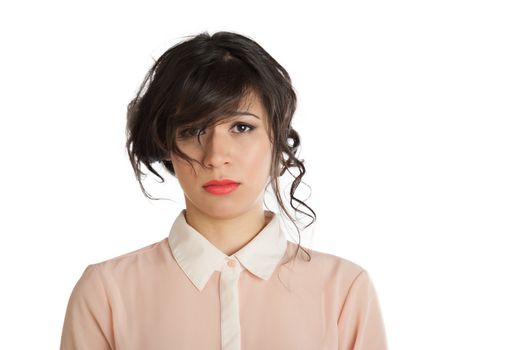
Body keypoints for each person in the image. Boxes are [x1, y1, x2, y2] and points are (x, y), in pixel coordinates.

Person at [59, 30, 388, 350]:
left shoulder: (343, 290)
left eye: (241, 127)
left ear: (277, 137)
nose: (216, 156)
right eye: (193, 130)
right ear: (165, 143)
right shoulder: (106, 292)